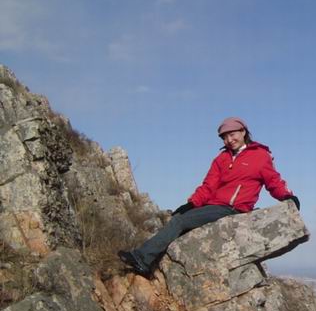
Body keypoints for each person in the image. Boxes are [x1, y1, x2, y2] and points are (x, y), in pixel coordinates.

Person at [118, 117, 299, 276]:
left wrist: (287, 196)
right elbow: (208, 186)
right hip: (214, 206)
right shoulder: (221, 158)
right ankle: (153, 265)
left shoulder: (260, 155)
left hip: (232, 209)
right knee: (179, 218)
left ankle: (142, 259)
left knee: (180, 222)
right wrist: (191, 204)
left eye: (232, 134)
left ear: (243, 131)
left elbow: (273, 181)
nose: (229, 140)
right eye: (225, 137)